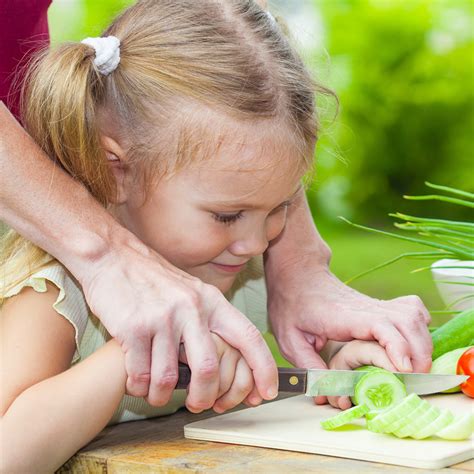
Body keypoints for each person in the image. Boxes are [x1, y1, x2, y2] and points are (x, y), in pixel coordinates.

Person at [0, 0, 433, 419]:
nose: (257, 241)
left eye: (281, 205)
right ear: (115, 170)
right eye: (227, 215)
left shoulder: (242, 275)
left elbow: (314, 345)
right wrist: (126, 360)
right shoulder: (60, 295)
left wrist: (350, 358)